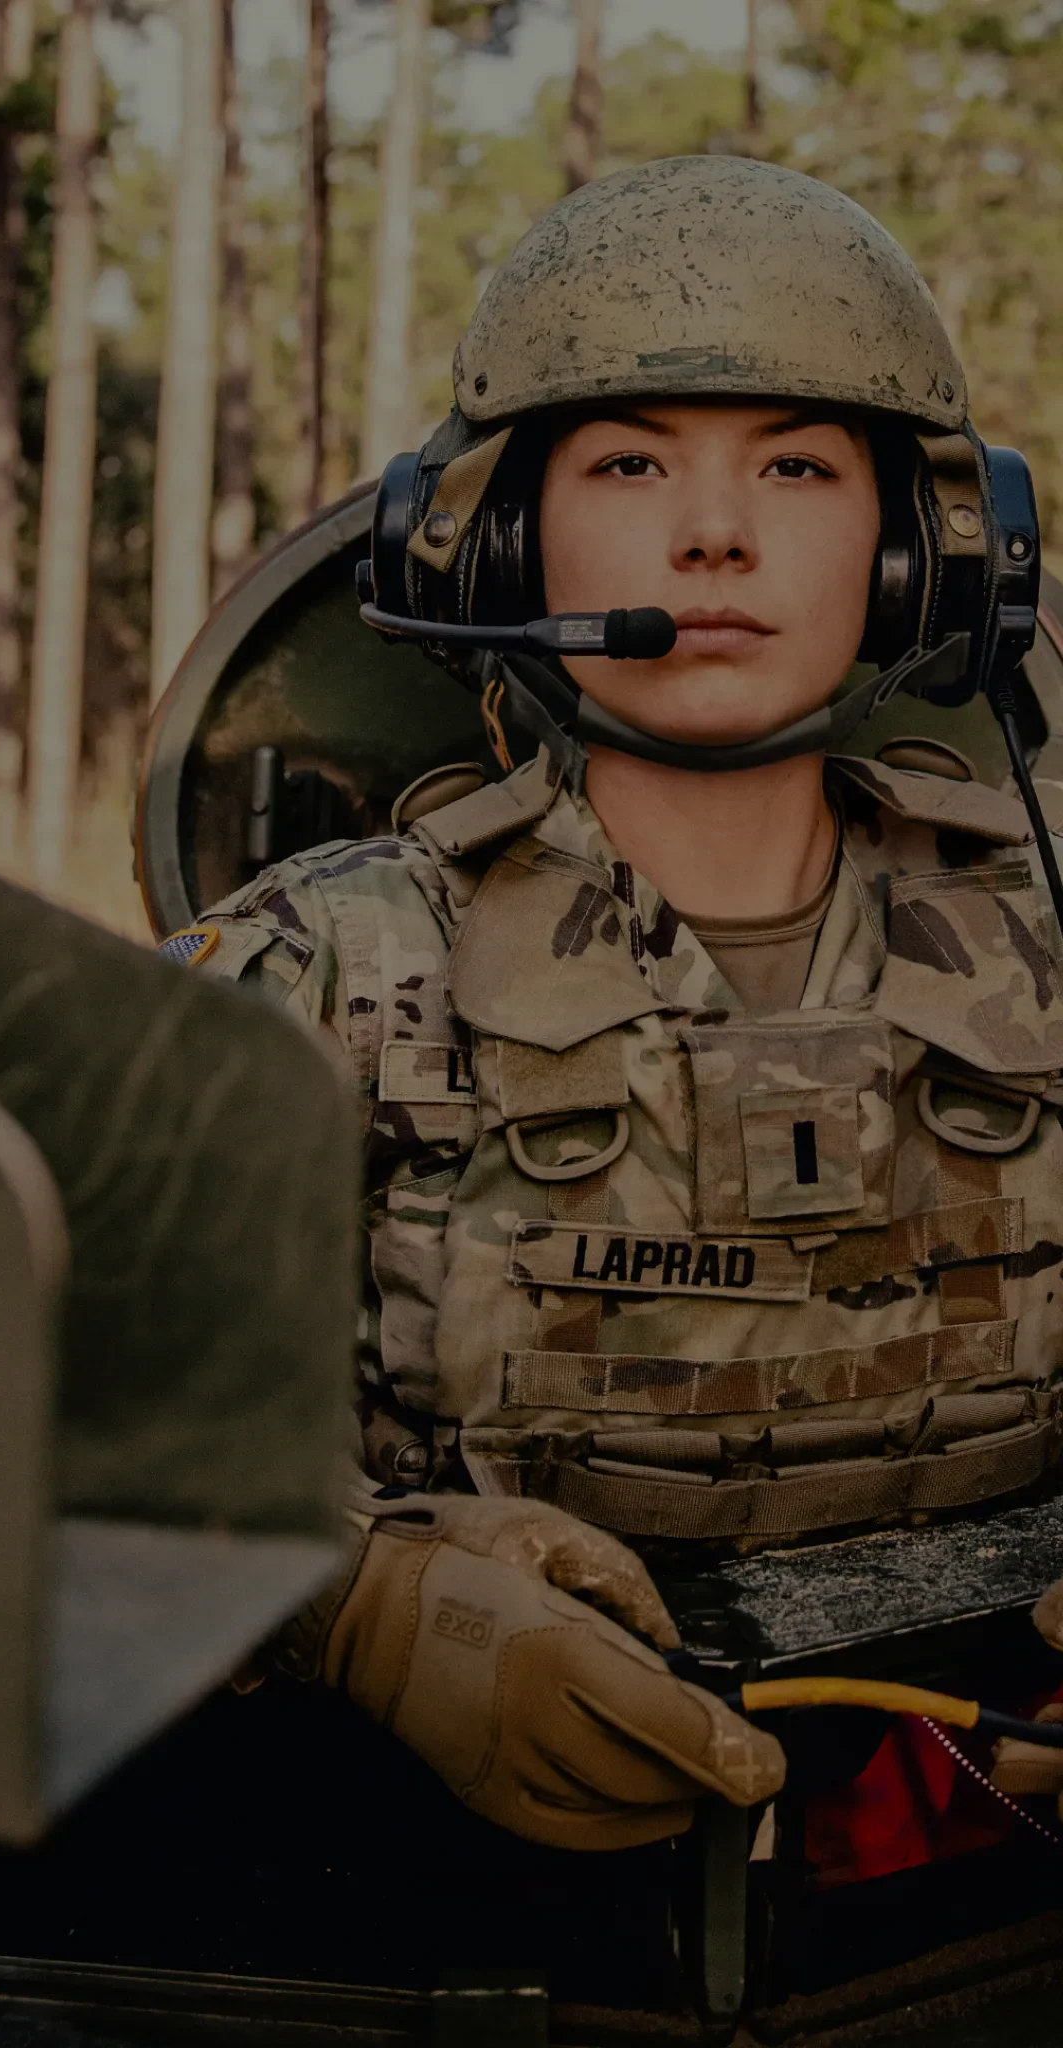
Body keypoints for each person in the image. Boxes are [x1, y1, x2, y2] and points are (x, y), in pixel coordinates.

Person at [171, 156, 1063, 1855]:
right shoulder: (327, 967)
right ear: (495, 533)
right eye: (631, 461)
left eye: (798, 465)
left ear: (926, 549)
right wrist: (354, 1608)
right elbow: (14, 1406)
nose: (714, 533)